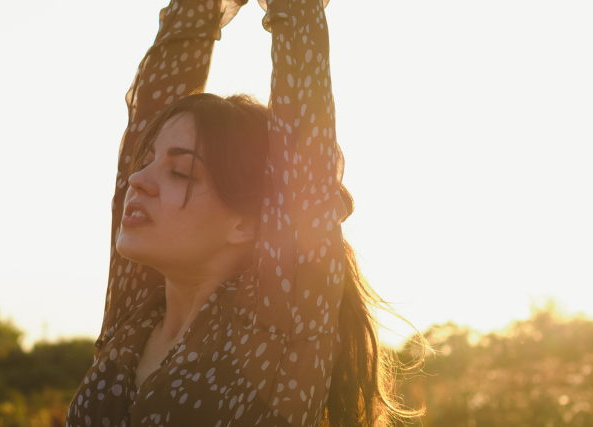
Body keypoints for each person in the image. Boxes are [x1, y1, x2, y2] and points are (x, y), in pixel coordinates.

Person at [66, 0, 421, 426]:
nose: (137, 181)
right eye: (148, 161)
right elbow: (149, 110)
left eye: (181, 172)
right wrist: (196, 9)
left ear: (247, 222)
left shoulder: (276, 327)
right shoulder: (134, 317)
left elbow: (304, 145)